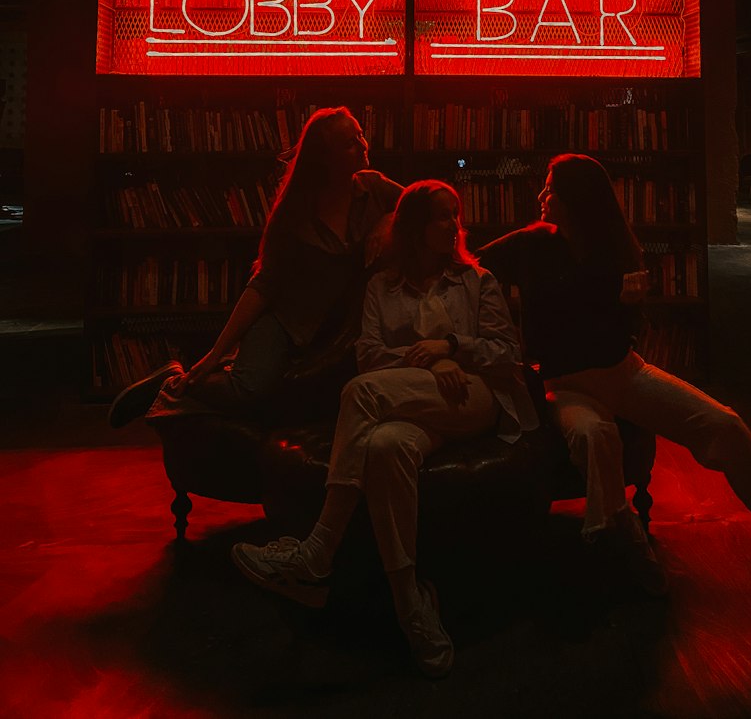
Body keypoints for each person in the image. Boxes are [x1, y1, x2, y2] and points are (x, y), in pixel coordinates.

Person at [478, 153, 751, 611]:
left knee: (724, 425)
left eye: (550, 190)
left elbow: (621, 334)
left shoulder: (614, 249)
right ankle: (627, 543)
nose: (541, 197)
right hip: (568, 385)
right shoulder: (531, 243)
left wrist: (624, 304)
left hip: (624, 372)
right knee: (594, 434)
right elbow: (470, 267)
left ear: (577, 200)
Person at [230, 180, 537, 677]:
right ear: (415, 227)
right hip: (414, 405)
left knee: (360, 393)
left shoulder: (477, 282)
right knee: (385, 446)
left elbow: (506, 354)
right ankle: (411, 604)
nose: (453, 225)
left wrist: (453, 347)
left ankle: (317, 553)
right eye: (442, 215)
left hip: (475, 399)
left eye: (455, 215)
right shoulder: (381, 287)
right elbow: (369, 355)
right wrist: (429, 364)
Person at [108, 107, 402, 426]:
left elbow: (421, 206)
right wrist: (215, 355)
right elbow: (263, 285)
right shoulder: (294, 213)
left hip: (335, 327)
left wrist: (387, 222)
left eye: (360, 134)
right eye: (349, 142)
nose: (363, 144)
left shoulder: (375, 188)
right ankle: (169, 382)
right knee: (247, 390)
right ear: (325, 158)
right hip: (282, 320)